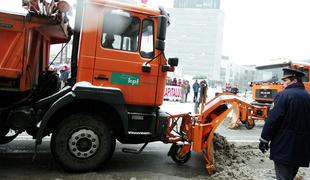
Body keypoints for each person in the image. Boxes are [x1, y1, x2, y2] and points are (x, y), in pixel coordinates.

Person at [259, 68, 310, 180]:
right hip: (302, 147)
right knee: (290, 176)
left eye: (285, 80)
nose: (283, 83)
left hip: (283, 146)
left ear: (294, 80)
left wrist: (264, 139)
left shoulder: (283, 95)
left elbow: (273, 120)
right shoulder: (308, 97)